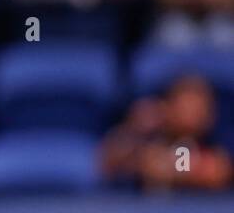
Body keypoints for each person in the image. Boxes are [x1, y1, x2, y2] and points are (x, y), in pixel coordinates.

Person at [100, 74, 233, 192]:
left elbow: (217, 172)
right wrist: (133, 127)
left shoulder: (220, 139)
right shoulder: (149, 137)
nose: (194, 115)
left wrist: (168, 167)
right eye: (186, 107)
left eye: (200, 107)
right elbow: (108, 162)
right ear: (168, 107)